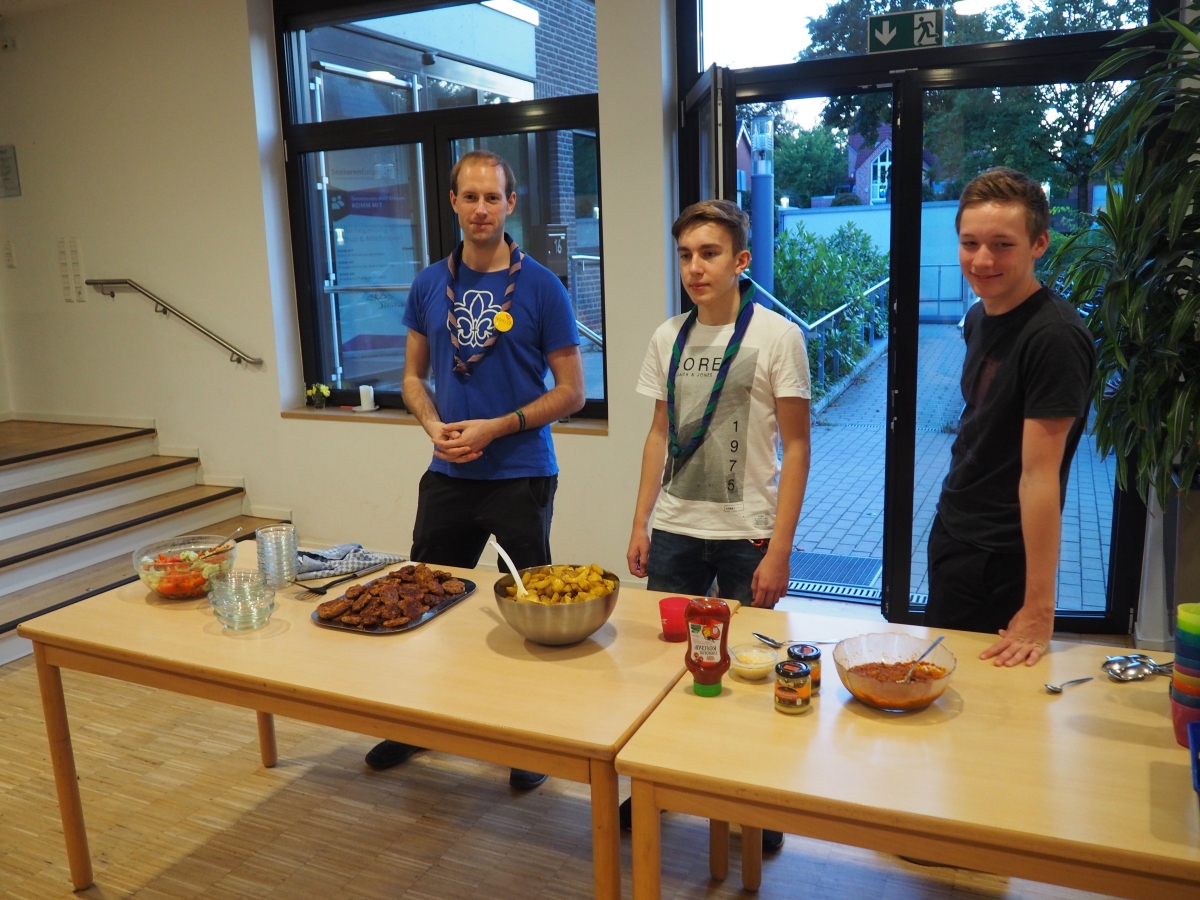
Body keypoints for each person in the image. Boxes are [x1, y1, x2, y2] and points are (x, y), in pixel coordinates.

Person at [364, 150, 585, 788]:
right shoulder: (429, 283)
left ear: (511, 204)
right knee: (422, 602)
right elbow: (411, 377)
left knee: (529, 616)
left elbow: (571, 392)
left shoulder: (542, 286)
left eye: (493, 197)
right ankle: (418, 724)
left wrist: (497, 426)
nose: (481, 209)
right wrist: (433, 426)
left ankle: (530, 741)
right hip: (449, 476)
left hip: (521, 474)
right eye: (470, 197)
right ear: (454, 203)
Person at [625, 199, 812, 850]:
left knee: (751, 671)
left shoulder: (778, 338)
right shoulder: (667, 337)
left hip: (747, 535)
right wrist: (641, 522)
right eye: (685, 255)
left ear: (741, 261)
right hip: (677, 529)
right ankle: (658, 784)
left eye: (709, 254)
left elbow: (798, 447)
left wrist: (780, 549)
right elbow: (657, 435)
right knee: (668, 669)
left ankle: (755, 804)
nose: (695, 268)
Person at [924, 167, 1095, 668]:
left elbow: (1040, 475)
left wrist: (1039, 607)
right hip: (955, 531)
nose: (982, 260)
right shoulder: (980, 316)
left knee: (997, 701)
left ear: (1039, 243)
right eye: (970, 243)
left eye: (1002, 245)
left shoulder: (1055, 337)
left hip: (1002, 557)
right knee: (944, 677)